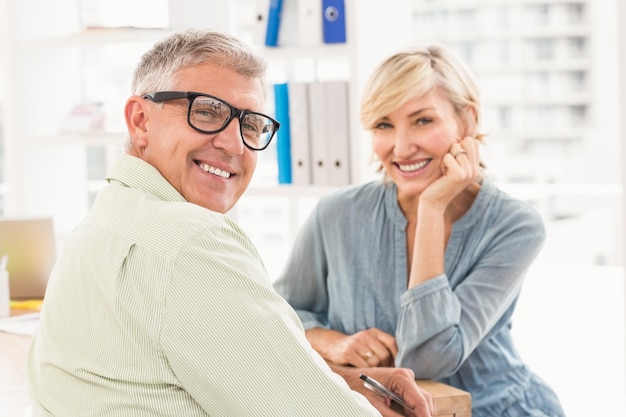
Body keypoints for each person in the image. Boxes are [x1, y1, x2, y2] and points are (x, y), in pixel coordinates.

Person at [26, 29, 434, 417]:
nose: (234, 144)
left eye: (251, 124)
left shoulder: (98, 228)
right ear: (140, 121)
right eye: (207, 111)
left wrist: (339, 381)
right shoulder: (190, 242)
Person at [273, 44, 566, 417]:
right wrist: (333, 343)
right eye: (384, 125)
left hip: (495, 408)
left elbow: (428, 359)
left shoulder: (515, 226)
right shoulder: (337, 213)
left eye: (423, 120)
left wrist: (432, 207)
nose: (401, 147)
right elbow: (279, 316)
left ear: (467, 121)